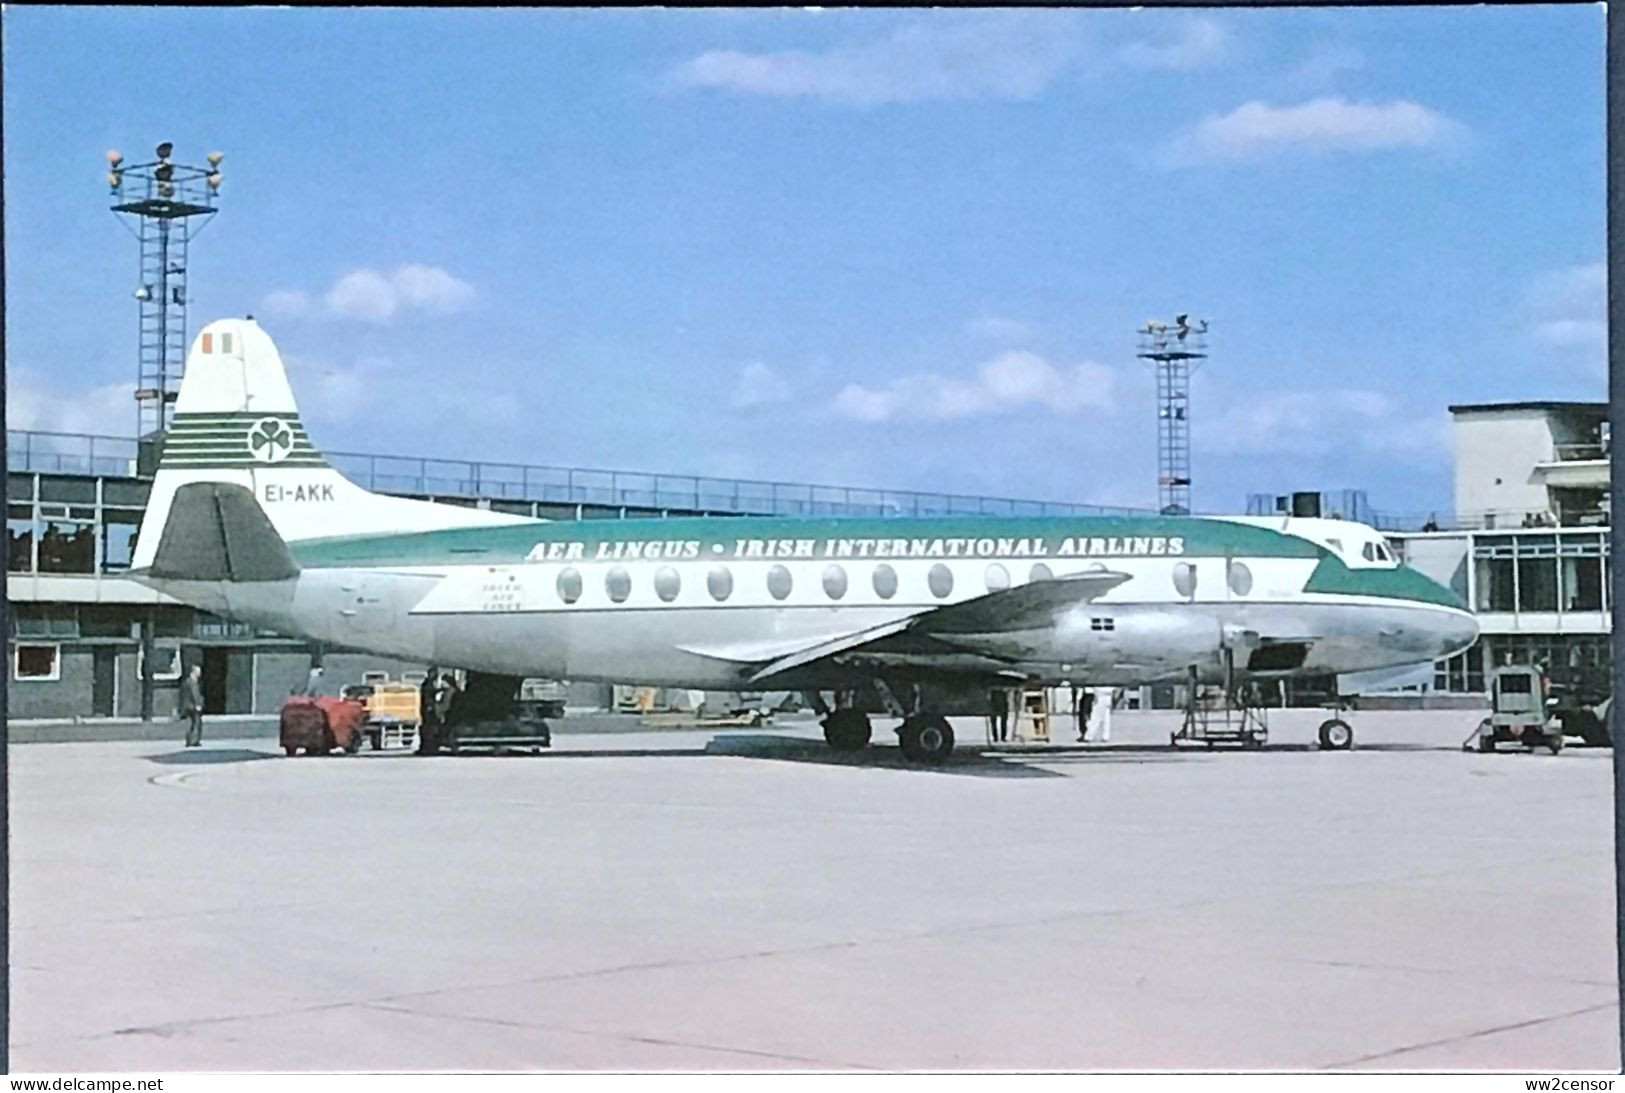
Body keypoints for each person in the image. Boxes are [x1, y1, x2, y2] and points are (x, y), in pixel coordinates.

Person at [178, 664, 204, 748]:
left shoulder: (187, 681)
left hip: (187, 705)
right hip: (192, 706)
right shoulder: (192, 682)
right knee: (196, 723)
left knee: (190, 723)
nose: (200, 674)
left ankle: (189, 740)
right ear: (194, 672)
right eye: (199, 672)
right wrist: (198, 704)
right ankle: (194, 740)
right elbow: (194, 693)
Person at [416, 668, 441, 754]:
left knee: (427, 728)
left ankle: (426, 747)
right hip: (428, 709)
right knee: (428, 729)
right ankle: (428, 747)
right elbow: (429, 695)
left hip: (426, 708)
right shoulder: (429, 684)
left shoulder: (427, 684)